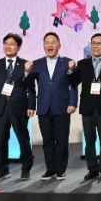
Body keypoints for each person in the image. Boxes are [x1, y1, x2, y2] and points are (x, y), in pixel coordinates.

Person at [27, 32, 77, 181]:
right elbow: (29, 86)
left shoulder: (68, 63)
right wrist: (26, 72)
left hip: (62, 106)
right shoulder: (36, 64)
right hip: (43, 107)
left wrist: (73, 103)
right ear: (43, 46)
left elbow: (73, 85)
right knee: (47, 140)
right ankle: (50, 169)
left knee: (61, 140)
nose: (50, 45)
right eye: (47, 42)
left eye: (53, 42)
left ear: (59, 45)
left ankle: (61, 170)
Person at [68, 33, 101, 181]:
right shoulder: (82, 64)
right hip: (88, 108)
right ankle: (92, 169)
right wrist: (70, 70)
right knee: (89, 141)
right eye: (93, 43)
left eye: (99, 43)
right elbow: (73, 82)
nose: (95, 46)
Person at [0, 33, 36, 181]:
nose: (8, 46)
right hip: (0, 108)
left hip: (19, 107)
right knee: (2, 140)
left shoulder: (26, 64)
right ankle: (2, 169)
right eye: (6, 43)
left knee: (23, 139)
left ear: (18, 47)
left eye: (12, 44)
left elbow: (31, 88)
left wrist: (31, 106)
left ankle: (26, 168)